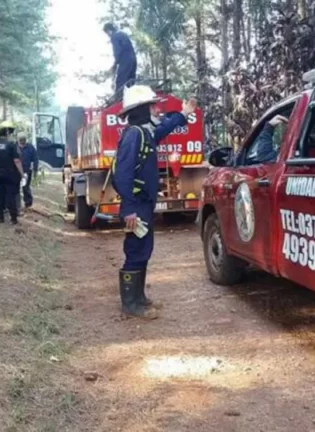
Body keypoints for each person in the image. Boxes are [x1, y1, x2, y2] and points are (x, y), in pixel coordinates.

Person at [112, 85, 197, 319]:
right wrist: (128, 209)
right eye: (153, 105)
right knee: (136, 250)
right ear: (142, 109)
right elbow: (123, 175)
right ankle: (131, 304)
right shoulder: (134, 135)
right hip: (136, 205)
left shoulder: (146, 133)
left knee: (144, 249)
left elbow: (167, 127)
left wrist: (184, 113)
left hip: (144, 204)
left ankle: (139, 298)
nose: (158, 110)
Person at [0, 121, 24, 224]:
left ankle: (0, 218)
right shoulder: (11, 145)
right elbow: (17, 161)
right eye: (9, 132)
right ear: (7, 133)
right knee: (11, 196)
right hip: (11, 176)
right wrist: (22, 173)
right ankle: (13, 219)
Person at [103, 23, 137, 98]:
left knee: (120, 81)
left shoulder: (114, 36)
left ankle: (118, 100)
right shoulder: (122, 34)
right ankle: (132, 98)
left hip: (125, 60)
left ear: (109, 30)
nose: (108, 35)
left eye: (107, 33)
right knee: (130, 80)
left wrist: (115, 65)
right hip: (133, 60)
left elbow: (117, 51)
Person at [17, 131, 39, 211]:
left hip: (26, 171)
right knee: (15, 188)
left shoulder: (30, 147)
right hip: (16, 171)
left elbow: (35, 159)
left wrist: (35, 170)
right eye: (21, 140)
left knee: (25, 187)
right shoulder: (15, 147)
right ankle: (17, 205)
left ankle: (28, 203)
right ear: (18, 140)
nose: (22, 141)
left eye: (23, 140)